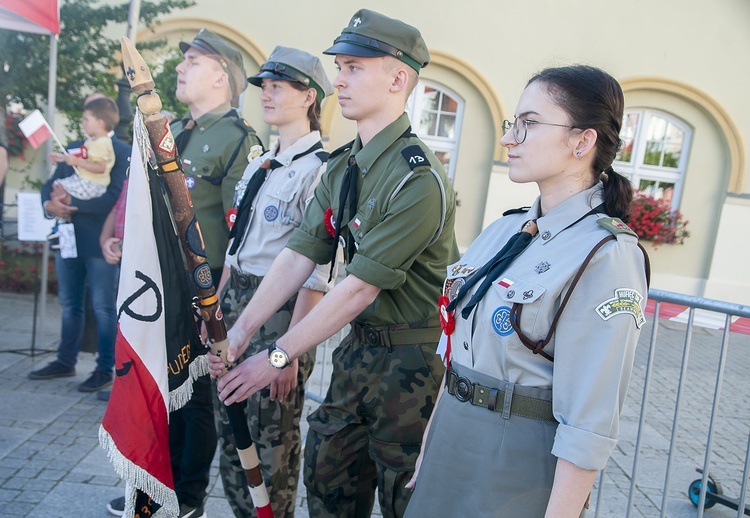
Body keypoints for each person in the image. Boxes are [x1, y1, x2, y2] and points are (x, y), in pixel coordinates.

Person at [209, 9, 458, 518]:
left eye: (353, 68)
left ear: (397, 78)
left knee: (403, 499)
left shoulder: (417, 179)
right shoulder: (345, 166)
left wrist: (277, 355)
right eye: (339, 66)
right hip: (358, 353)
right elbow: (299, 253)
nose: (339, 80)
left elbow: (359, 288)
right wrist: (241, 333)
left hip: (412, 364)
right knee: (328, 488)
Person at [404, 65, 650, 517]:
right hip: (449, 443)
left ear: (582, 141)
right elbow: (456, 352)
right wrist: (428, 448)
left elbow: (588, 423)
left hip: (515, 466)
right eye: (512, 124)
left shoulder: (606, 255)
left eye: (529, 123)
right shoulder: (503, 231)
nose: (509, 139)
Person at [107, 28, 263, 518]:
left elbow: (243, 230)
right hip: (166, 282)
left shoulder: (239, 140)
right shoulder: (175, 131)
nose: (179, 68)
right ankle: (155, 485)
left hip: (207, 288)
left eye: (192, 61)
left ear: (221, 75)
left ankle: (187, 496)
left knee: (193, 395)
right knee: (161, 382)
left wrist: (216, 296)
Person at [215, 46, 335, 518]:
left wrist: (290, 350)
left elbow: (316, 270)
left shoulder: (319, 169)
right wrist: (217, 312)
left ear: (309, 96)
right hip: (237, 302)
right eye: (263, 86)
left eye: (277, 86)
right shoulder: (259, 162)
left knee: (272, 441)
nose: (266, 94)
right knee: (231, 430)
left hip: (281, 310)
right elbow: (235, 246)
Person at [29, 94, 130, 394]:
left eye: (90, 113)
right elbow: (50, 184)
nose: (84, 118)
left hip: (99, 241)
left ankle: (104, 368)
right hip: (67, 239)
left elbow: (116, 196)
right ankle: (65, 360)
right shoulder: (73, 147)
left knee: (103, 306)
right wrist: (50, 205)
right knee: (69, 304)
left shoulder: (121, 150)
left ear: (104, 116)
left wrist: (73, 207)